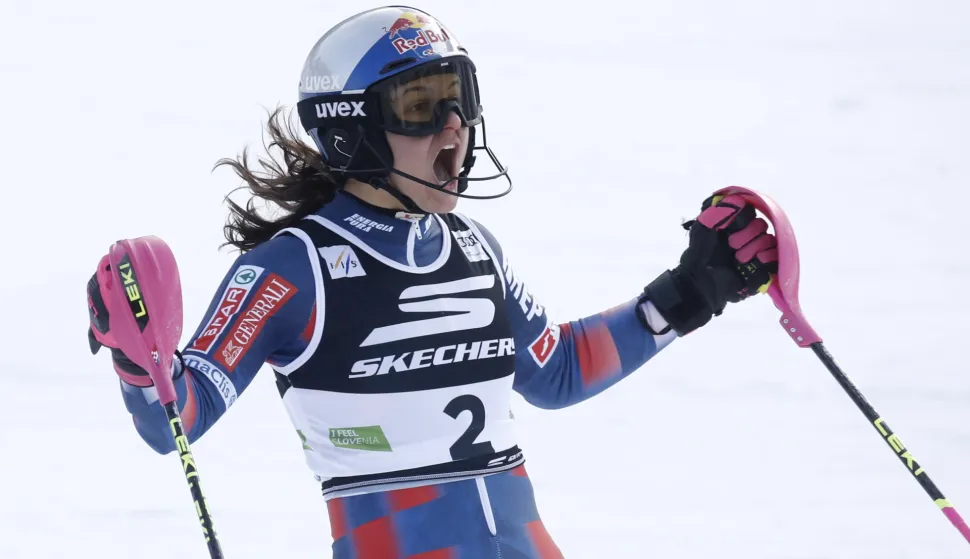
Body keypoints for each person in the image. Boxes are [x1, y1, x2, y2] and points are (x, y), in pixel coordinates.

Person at [86, 5, 778, 558]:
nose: (454, 126)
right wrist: (136, 360)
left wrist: (693, 291)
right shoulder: (294, 268)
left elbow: (556, 369)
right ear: (352, 128)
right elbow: (177, 417)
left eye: (459, 98)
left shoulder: (476, 248)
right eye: (420, 104)